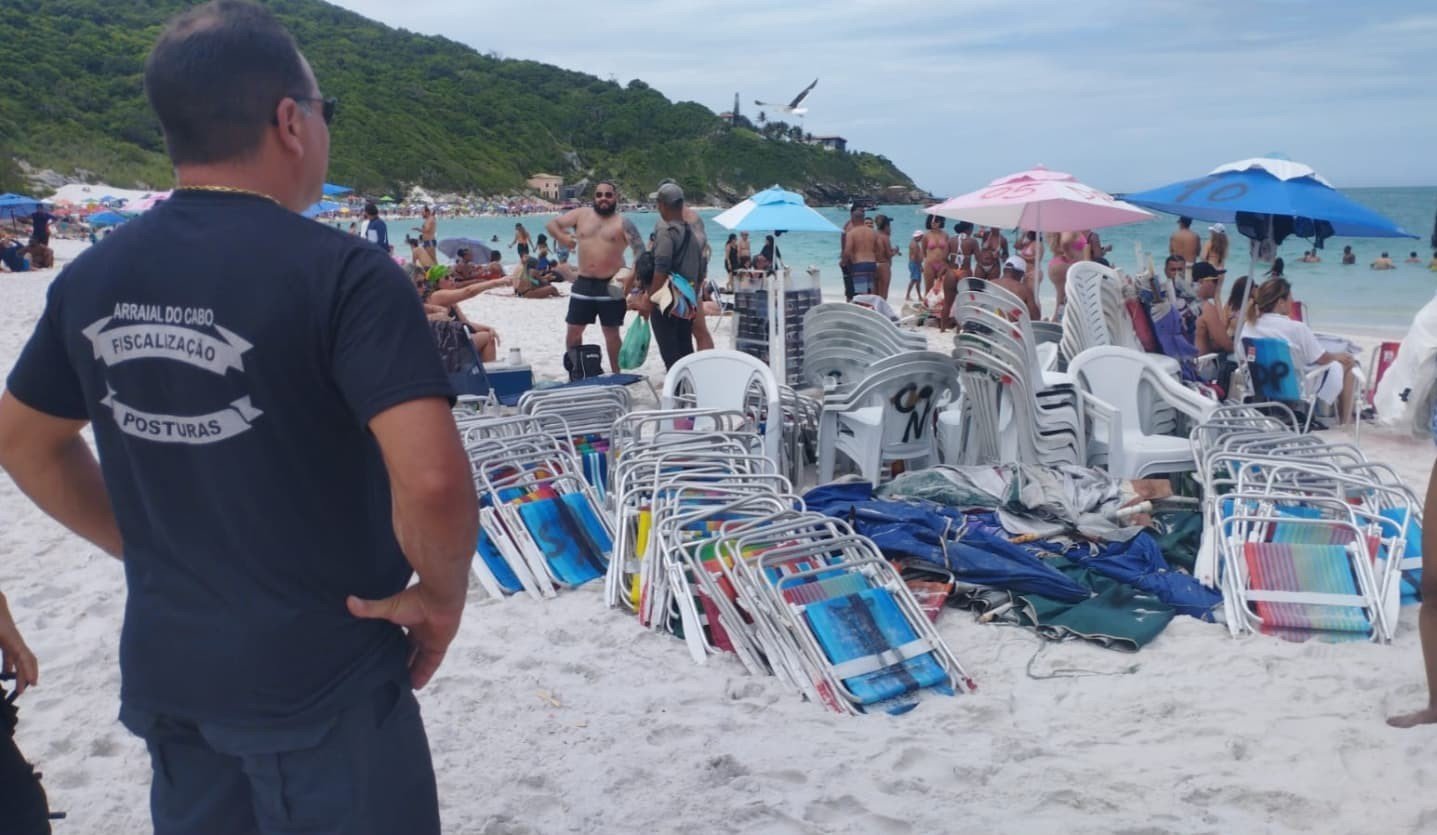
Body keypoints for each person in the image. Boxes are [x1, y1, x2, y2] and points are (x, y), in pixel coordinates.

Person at [0, 4, 477, 831]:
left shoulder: (95, 275)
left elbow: (21, 439)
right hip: (321, 670)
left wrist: (146, 542)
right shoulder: (348, 276)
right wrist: (440, 597)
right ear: (289, 121)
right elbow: (431, 479)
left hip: (173, 669)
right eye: (326, 112)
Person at [1243, 277, 1360, 424]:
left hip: (1261, 381)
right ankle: (1345, 421)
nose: (1292, 302)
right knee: (1349, 363)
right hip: (1294, 386)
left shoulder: (1249, 326)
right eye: (1290, 298)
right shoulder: (1296, 328)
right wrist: (1337, 356)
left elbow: (1244, 356)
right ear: (1280, 302)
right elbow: (1321, 358)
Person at [547, 180, 631, 373]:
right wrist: (562, 237)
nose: (603, 199)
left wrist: (630, 278)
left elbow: (641, 254)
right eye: (599, 195)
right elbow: (552, 224)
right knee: (574, 331)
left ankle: (616, 375)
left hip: (610, 285)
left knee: (611, 333)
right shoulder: (581, 215)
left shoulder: (623, 223)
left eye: (608, 195)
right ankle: (576, 371)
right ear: (594, 197)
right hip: (583, 283)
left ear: (615, 198)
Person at [634, 180, 707, 368]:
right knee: (685, 351)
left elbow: (662, 267)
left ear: (663, 205)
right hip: (685, 303)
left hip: (666, 303)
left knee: (671, 356)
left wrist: (650, 300)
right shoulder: (692, 232)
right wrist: (691, 297)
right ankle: (689, 392)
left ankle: (678, 393)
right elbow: (700, 271)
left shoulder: (665, 230)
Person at [418, 274, 507, 362]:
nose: (452, 279)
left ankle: (486, 368)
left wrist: (487, 328)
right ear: (437, 284)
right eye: (446, 278)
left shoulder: (451, 302)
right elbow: (469, 291)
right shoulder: (437, 295)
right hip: (443, 346)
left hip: (449, 341)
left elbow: (465, 323)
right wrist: (496, 282)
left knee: (487, 334)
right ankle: (489, 372)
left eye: (452, 276)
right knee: (487, 338)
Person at [1192, 262, 1233, 355]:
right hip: (1202, 365)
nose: (1217, 285)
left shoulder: (1184, 303)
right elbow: (1226, 344)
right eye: (1215, 281)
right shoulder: (1206, 308)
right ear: (1201, 282)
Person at [841, 204, 880, 299]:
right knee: (871, 292)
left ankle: (862, 309)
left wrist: (844, 262)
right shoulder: (873, 232)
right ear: (863, 219)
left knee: (861, 294)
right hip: (872, 264)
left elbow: (847, 250)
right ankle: (872, 310)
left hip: (859, 265)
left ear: (852, 219)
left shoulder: (851, 233)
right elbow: (879, 250)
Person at [993, 255, 1040, 321]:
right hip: (1011, 328)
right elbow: (1036, 317)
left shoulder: (990, 283)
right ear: (1020, 273)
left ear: (1004, 270)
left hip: (988, 324)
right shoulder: (1024, 290)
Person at [920, 214, 948, 296]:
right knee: (928, 289)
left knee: (943, 290)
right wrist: (922, 264)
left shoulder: (945, 235)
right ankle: (926, 306)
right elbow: (923, 251)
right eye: (931, 221)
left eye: (936, 221)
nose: (934, 223)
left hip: (942, 264)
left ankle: (940, 307)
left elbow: (948, 251)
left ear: (940, 222)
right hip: (930, 264)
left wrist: (946, 264)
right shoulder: (926, 235)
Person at [874, 213, 897, 300]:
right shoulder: (885, 237)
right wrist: (895, 251)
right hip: (883, 265)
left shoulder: (873, 235)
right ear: (886, 226)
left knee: (875, 293)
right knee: (883, 294)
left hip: (874, 264)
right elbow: (888, 254)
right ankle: (881, 312)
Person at [905, 230, 923, 301]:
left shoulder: (913, 243)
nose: (922, 239)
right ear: (918, 236)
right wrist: (920, 266)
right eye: (921, 237)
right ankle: (908, 296)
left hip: (913, 263)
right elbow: (916, 257)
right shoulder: (915, 245)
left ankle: (919, 296)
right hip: (915, 264)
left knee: (917, 281)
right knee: (914, 280)